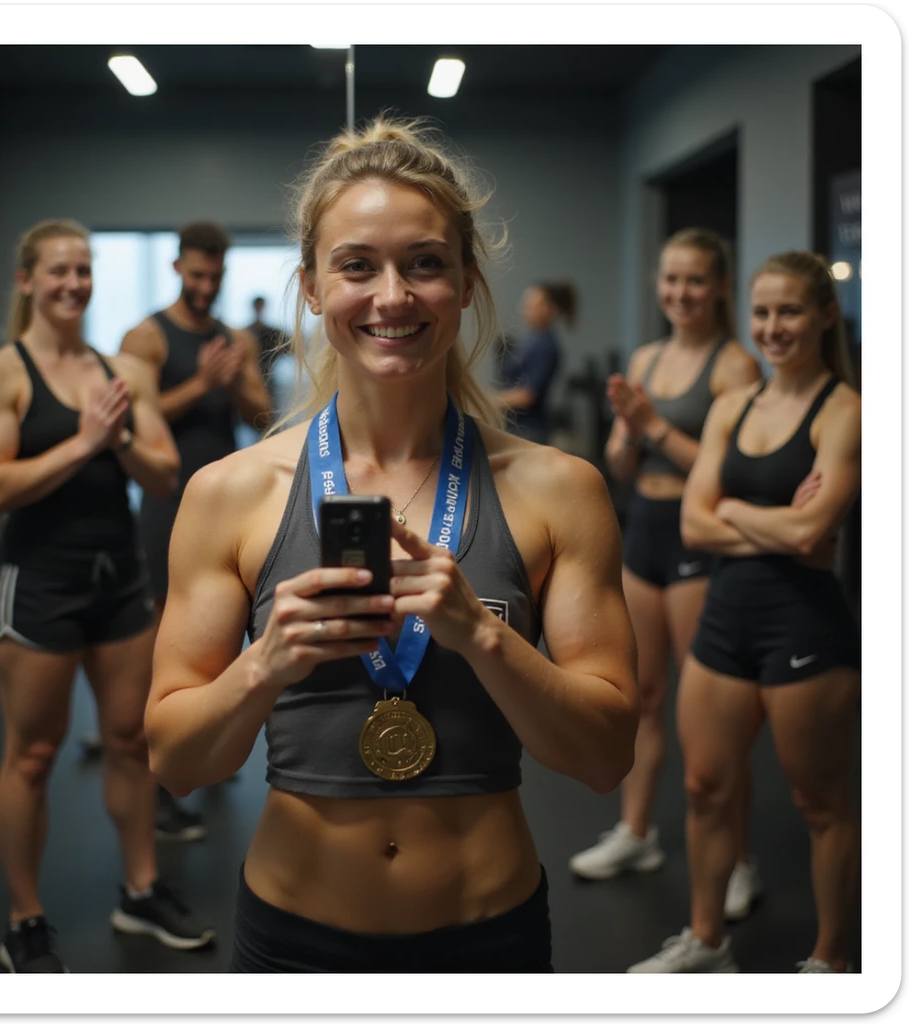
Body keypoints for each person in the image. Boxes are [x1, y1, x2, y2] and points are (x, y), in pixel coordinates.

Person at [144, 116, 640, 973]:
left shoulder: (561, 490)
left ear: (465, 279)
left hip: (489, 939)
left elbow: (604, 758)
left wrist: (485, 636)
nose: (392, 297)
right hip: (292, 942)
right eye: (356, 265)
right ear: (309, 284)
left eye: (424, 263)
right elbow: (178, 762)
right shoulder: (229, 495)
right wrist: (265, 662)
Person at [0, 219, 216, 973]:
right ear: (28, 281)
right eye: (59, 271)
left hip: (120, 580)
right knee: (33, 755)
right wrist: (82, 442)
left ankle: (140, 891)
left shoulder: (123, 374)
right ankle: (24, 921)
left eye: (84, 270)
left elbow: (165, 473)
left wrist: (121, 438)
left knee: (134, 742)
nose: (73, 283)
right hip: (38, 583)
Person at [627, 251, 861, 973]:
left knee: (817, 802)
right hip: (727, 614)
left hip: (804, 623)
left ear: (824, 314)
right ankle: (707, 940)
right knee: (704, 786)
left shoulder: (848, 411)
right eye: (762, 313)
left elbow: (811, 533)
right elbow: (698, 527)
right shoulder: (734, 406)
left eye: (789, 311)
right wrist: (766, 520)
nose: (772, 327)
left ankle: (827, 958)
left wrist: (732, 507)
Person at [570, 229, 763, 920]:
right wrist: (627, 431)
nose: (679, 293)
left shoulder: (733, 367)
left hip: (696, 538)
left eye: (694, 281)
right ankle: (638, 830)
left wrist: (650, 425)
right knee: (644, 694)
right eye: (670, 280)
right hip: (643, 532)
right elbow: (623, 466)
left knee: (709, 714)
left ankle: (739, 860)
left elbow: (728, 473)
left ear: (718, 287)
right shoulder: (649, 356)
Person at [119, 222, 272, 841]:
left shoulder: (233, 339)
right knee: (166, 636)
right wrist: (201, 385)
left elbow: (263, 415)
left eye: (216, 277)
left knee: (220, 634)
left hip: (227, 506)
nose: (206, 287)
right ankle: (158, 785)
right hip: (166, 501)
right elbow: (135, 415)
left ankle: (203, 748)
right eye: (196, 275)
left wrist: (233, 380)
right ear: (178, 268)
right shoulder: (146, 336)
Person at [494, 281, 575, 445]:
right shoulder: (532, 341)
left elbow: (527, 395)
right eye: (525, 304)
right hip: (515, 427)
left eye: (531, 305)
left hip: (529, 431)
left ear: (549, 309)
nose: (524, 310)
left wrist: (485, 401)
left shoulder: (545, 345)